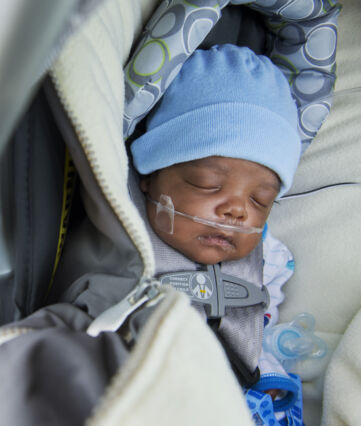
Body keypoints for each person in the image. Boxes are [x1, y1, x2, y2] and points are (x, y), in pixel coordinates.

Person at [129, 44, 302, 423]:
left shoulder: (268, 260)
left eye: (260, 200)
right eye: (207, 184)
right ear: (149, 175)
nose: (237, 210)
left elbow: (260, 323)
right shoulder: (123, 233)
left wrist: (267, 375)